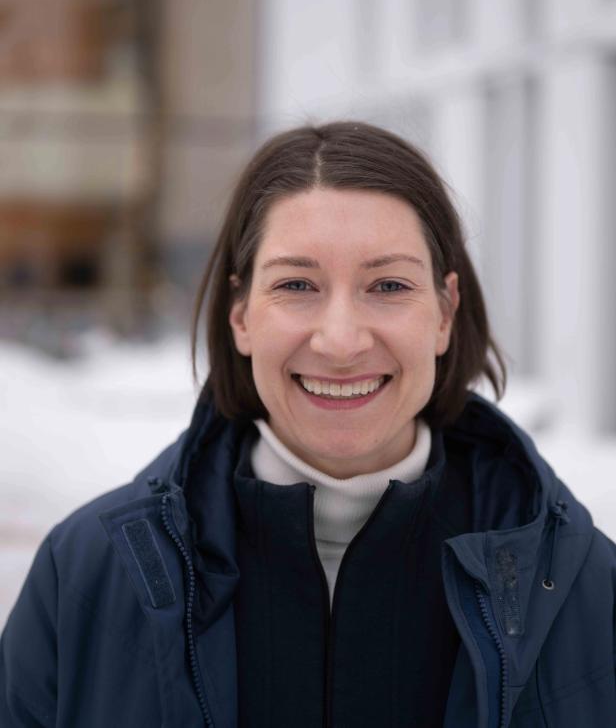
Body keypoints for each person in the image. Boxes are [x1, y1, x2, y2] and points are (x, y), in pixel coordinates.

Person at [1, 120, 615, 728]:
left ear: (444, 314)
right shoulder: (84, 576)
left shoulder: (587, 591)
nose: (341, 340)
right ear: (240, 314)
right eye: (297, 284)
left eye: (388, 285)